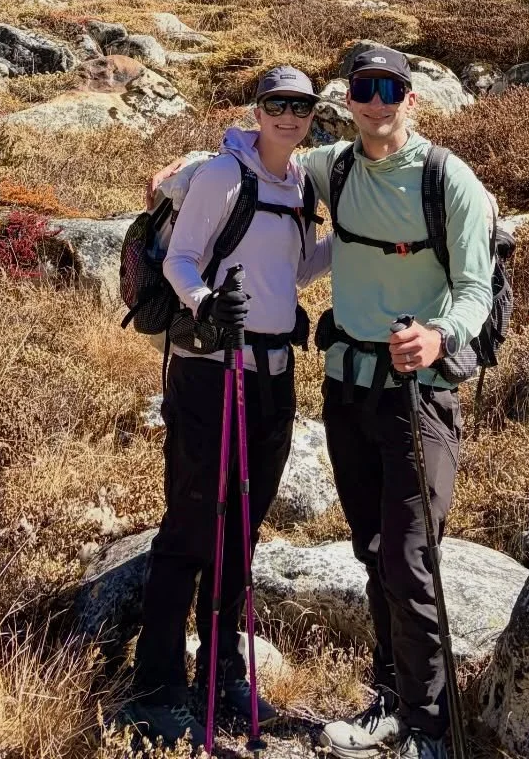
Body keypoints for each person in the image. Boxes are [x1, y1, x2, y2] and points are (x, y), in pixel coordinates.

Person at [119, 65, 331, 749]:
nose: (289, 115)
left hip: (273, 375)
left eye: (301, 105)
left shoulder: (299, 185)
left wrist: (354, 244)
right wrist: (207, 303)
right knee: (190, 526)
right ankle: (155, 687)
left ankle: (223, 674)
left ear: (312, 114)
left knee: (242, 528)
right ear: (257, 109)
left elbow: (294, 270)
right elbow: (180, 259)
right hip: (211, 372)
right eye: (277, 103)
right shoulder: (222, 175)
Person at [304, 44, 492, 759]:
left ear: (412, 99)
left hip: (421, 398)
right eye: (364, 88)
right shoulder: (333, 167)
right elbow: (263, 156)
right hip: (347, 389)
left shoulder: (449, 179)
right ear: (349, 99)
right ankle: (391, 700)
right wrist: (184, 174)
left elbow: (474, 290)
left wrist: (439, 336)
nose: (377, 102)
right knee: (373, 552)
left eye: (390, 89)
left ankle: (431, 729)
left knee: (412, 561)